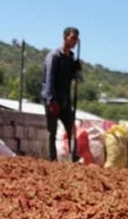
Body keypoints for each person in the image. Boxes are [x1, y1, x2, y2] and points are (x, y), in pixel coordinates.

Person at [41, 26, 81, 162]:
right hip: (54, 99)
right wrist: (51, 100)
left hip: (65, 100)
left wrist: (76, 70)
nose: (75, 42)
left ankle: (73, 157)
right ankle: (52, 159)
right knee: (52, 131)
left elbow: (72, 77)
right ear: (65, 38)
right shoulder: (54, 56)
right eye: (72, 38)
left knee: (71, 129)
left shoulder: (70, 58)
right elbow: (49, 79)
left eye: (76, 39)